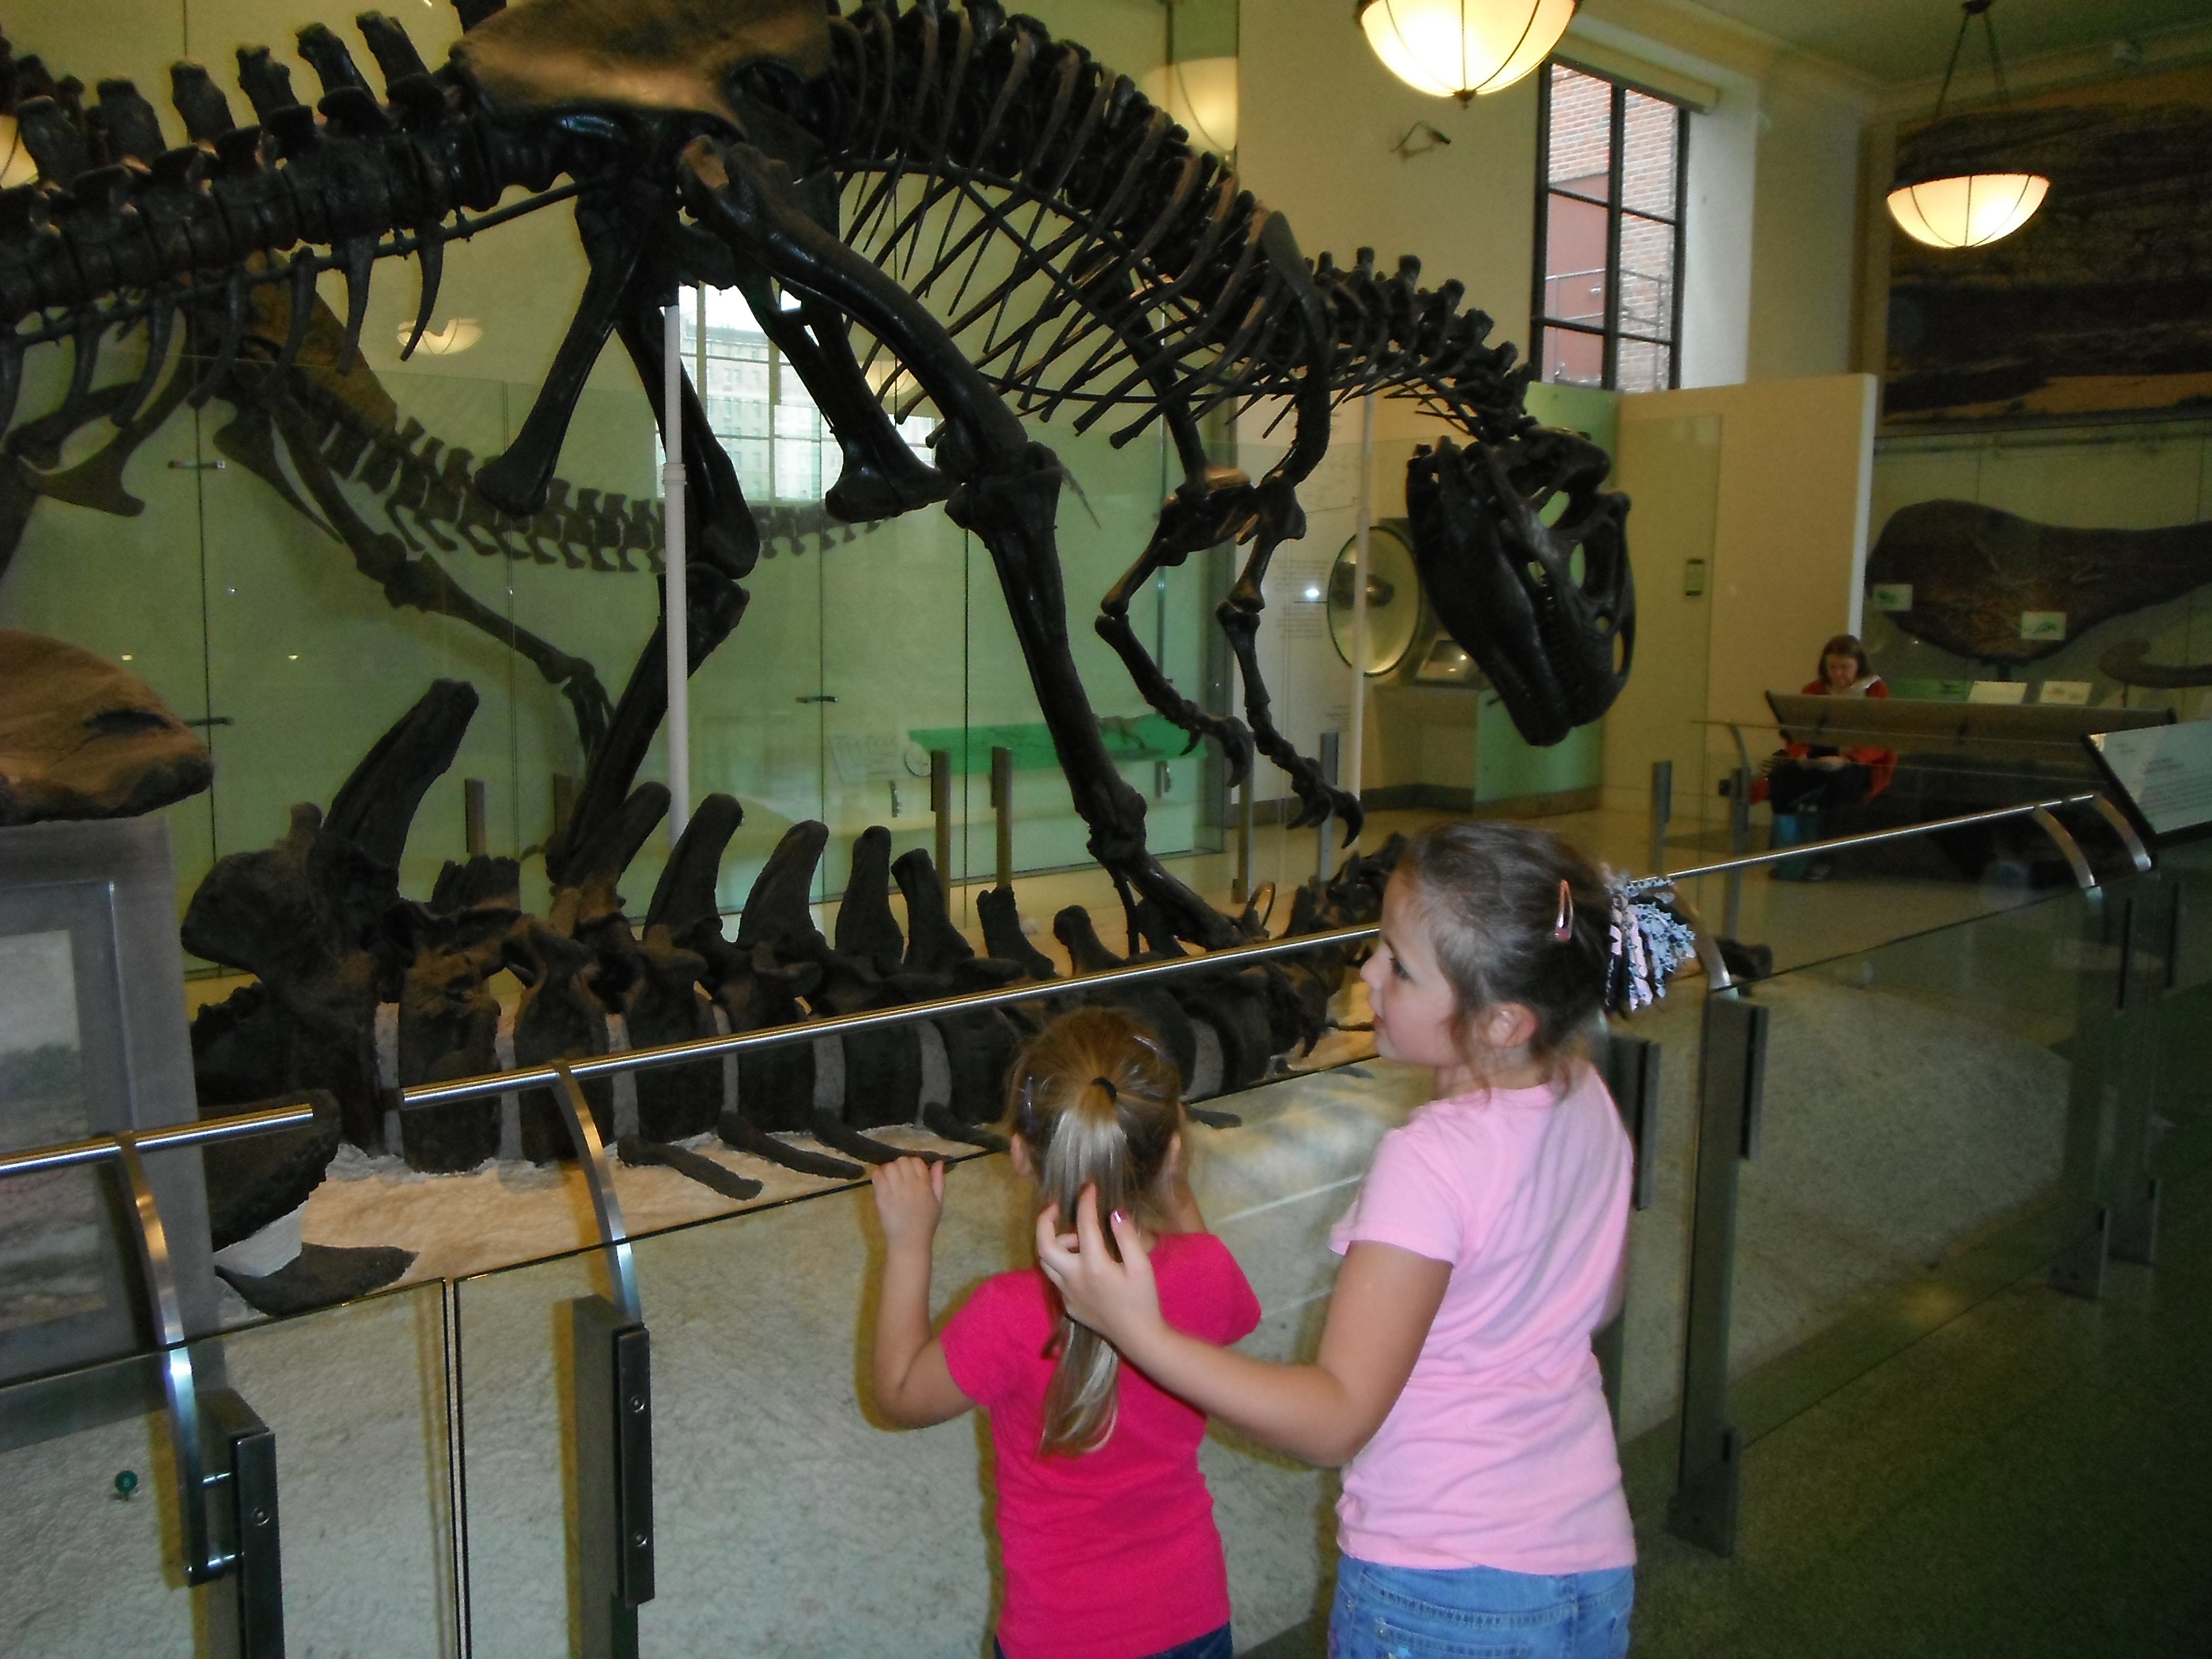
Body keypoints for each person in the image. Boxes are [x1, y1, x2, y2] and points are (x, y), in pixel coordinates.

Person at [1040, 822, 1688, 1659]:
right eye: (1380, 946)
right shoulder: (1584, 1094)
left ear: (1501, 1022)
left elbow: (1335, 1419)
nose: (1370, 973)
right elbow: (1598, 1299)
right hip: (1587, 1564)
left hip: (1442, 1592)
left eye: (1401, 967)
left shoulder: (1431, 1160)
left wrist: (1138, 1330)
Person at [866, 1005, 1263, 1659]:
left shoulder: (1006, 1313)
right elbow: (1229, 1313)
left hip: (1060, 1635)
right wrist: (1174, 1183)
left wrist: (909, 1244)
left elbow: (898, 1394)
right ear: (1171, 1151)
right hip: (1193, 1617)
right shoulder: (1210, 1270)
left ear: (1021, 1156)